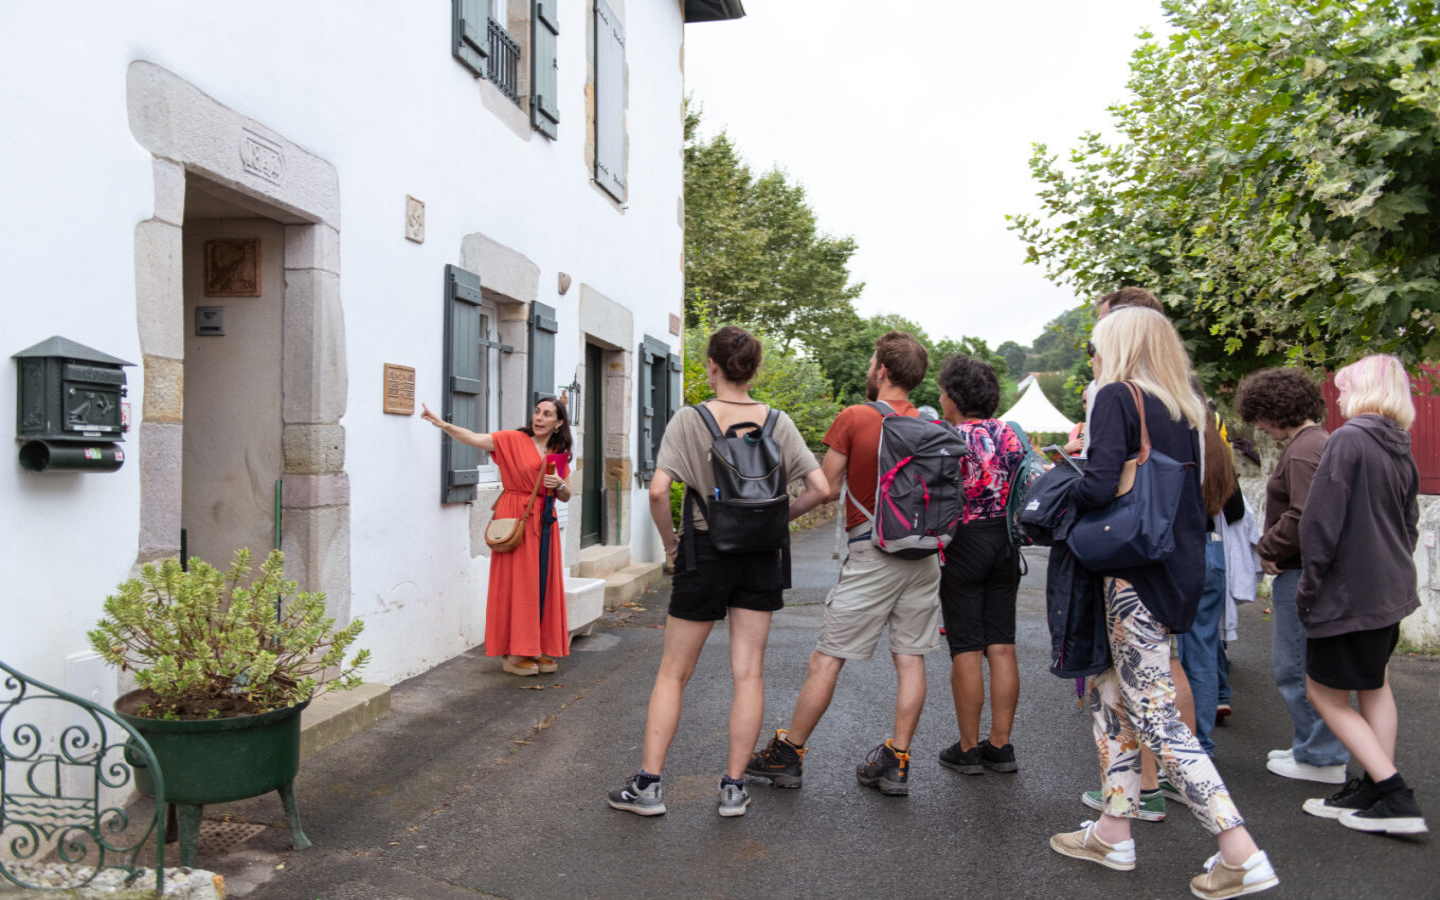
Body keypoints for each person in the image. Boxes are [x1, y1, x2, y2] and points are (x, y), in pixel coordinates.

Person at [1050, 307, 1277, 899]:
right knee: (1113, 695)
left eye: (1098, 346)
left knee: (1154, 714)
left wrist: (1061, 481)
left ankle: (1239, 851)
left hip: (1131, 574)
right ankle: (1112, 831)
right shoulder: (1188, 409)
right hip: (1175, 567)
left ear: (1118, 347)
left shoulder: (1116, 397)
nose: (1094, 357)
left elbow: (1099, 485)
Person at [606, 327, 828, 818]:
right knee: (748, 672)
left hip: (705, 549)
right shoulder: (779, 421)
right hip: (760, 556)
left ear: (711, 365)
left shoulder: (690, 419)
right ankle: (733, 788)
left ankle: (648, 787)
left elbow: (659, 492)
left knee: (673, 672)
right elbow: (820, 487)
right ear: (755, 369)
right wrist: (776, 519)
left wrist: (670, 546)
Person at [747, 331, 939, 797]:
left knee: (827, 657)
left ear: (884, 372)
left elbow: (825, 487)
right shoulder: (933, 425)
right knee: (910, 658)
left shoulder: (856, 417)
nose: (871, 367)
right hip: (925, 554)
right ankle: (898, 761)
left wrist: (777, 518)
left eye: (874, 361)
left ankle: (788, 753)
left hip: (873, 552)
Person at [1294, 355, 1427, 835]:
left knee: (1323, 692)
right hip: (1390, 587)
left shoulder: (1349, 439)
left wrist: (1309, 588)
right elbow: (1407, 524)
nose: (1340, 392)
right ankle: (1374, 784)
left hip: (1348, 594)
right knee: (1374, 685)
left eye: (1344, 384)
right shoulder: (1399, 445)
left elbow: (1319, 524)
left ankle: (1393, 793)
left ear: (1361, 388)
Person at [1236, 368, 1350, 784]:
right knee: (1308, 665)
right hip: (1313, 571)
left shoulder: (1303, 450)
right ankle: (1312, 745)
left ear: (1273, 410)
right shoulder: (1319, 442)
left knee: (1295, 667)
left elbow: (1304, 514)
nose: (1258, 426)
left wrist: (1267, 548)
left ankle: (1321, 756)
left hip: (1299, 572)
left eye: (1259, 416)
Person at [421, 397, 573, 676]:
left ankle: (535, 647)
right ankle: (514, 654)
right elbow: (475, 439)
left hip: (545, 520)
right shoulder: (513, 439)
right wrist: (442, 424)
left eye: (547, 414)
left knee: (542, 583)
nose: (539, 418)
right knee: (517, 583)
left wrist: (560, 484)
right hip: (515, 515)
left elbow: (566, 495)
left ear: (558, 422)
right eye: (537, 412)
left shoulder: (558, 451)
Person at [932, 355, 1026, 775]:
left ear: (953, 396)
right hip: (1005, 542)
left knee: (966, 647)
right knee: (1002, 644)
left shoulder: (946, 438)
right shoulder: (1010, 434)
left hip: (963, 542)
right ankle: (1000, 745)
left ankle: (968, 748)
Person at [1176, 413, 1245, 755]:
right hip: (1212, 546)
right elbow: (1236, 507)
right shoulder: (1214, 442)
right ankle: (1200, 743)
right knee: (1202, 651)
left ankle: (1179, 751)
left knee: (1171, 656)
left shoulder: (1175, 433)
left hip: (1180, 549)